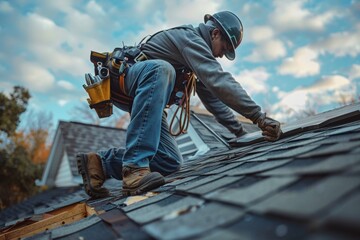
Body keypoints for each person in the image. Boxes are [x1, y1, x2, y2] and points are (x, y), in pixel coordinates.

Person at [77, 11, 282, 198]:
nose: (221, 55)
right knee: (161, 69)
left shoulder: (194, 59)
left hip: (143, 92)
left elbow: (214, 99)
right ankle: (134, 168)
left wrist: (241, 134)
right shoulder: (190, 39)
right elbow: (219, 80)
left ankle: (99, 165)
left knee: (170, 161)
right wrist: (259, 117)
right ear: (215, 33)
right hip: (126, 78)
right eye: (224, 48)